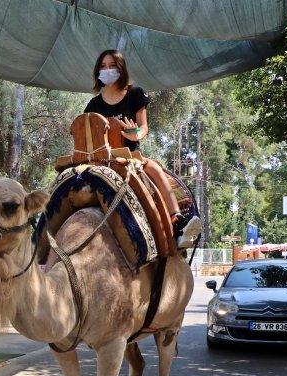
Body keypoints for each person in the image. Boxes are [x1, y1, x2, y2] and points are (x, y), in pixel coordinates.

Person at [83, 49, 202, 248]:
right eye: (103, 66)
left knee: (154, 168)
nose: (107, 70)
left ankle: (177, 221)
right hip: (103, 161)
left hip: (130, 157)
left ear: (121, 68)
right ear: (97, 72)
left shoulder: (135, 94)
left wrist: (134, 134)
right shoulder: (93, 105)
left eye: (112, 65)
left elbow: (144, 127)